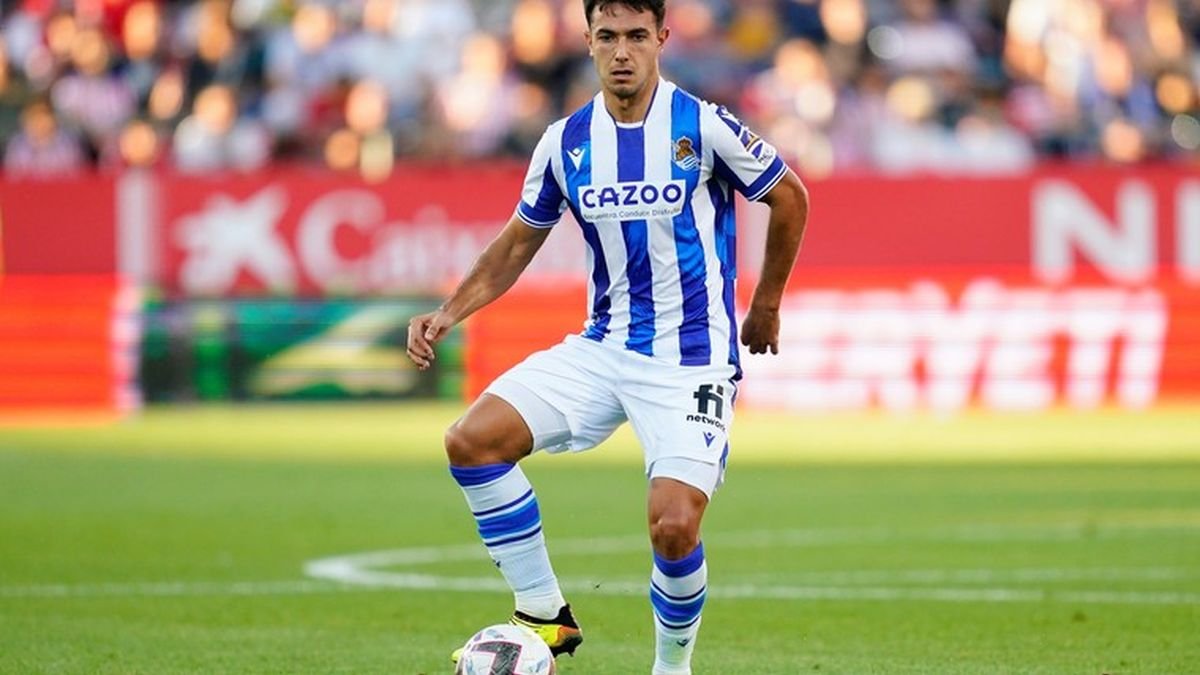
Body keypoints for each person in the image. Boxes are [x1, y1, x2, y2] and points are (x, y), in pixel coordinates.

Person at [405, 1, 809, 672]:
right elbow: (518, 243)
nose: (623, 52)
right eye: (608, 37)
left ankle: (671, 667)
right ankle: (544, 613)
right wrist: (449, 311)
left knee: (674, 524)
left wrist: (766, 304)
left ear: (661, 40)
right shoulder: (564, 142)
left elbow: (790, 195)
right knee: (471, 441)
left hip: (692, 360)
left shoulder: (702, 125)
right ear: (589, 42)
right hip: (604, 346)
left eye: (636, 36)